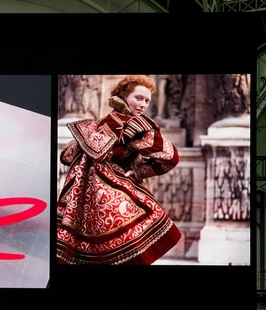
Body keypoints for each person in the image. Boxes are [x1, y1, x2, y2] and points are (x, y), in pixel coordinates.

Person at [56, 74, 181, 265]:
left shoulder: (138, 126)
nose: (143, 104)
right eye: (138, 98)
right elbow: (67, 156)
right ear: (123, 95)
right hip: (91, 201)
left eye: (147, 100)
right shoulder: (106, 124)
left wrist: (139, 172)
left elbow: (170, 156)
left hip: (105, 201)